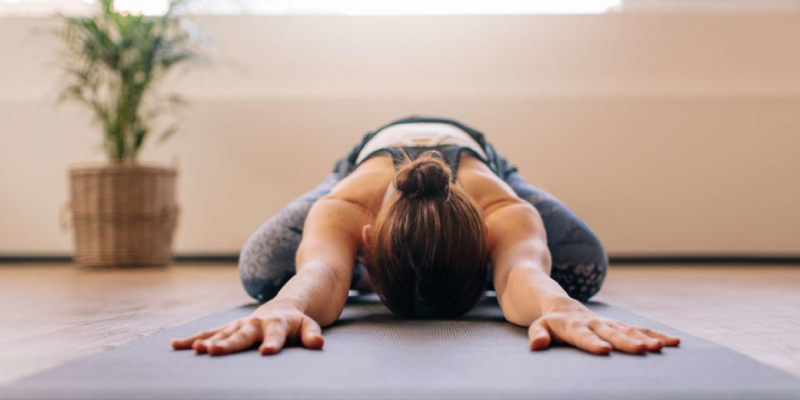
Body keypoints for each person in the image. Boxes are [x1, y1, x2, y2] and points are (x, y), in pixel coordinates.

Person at [172, 116, 680, 356]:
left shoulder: (501, 206)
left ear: (487, 240)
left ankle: (424, 264)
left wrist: (557, 305)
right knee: (264, 273)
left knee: (581, 269)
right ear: (365, 240)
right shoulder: (347, 204)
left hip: (480, 157)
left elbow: (520, 272)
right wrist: (288, 304)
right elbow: (321, 273)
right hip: (368, 159)